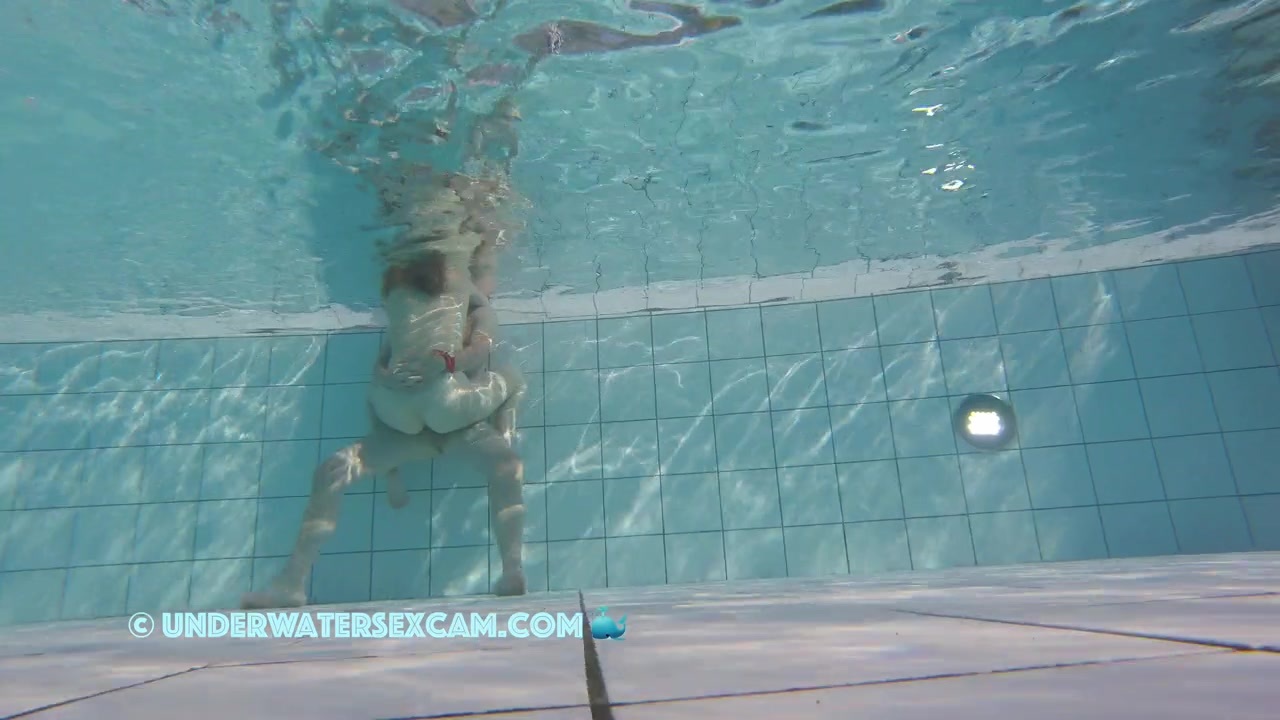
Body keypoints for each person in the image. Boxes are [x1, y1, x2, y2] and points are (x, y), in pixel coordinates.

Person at [242, 237, 528, 609]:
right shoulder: (468, 314)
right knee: (333, 470)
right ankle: (291, 583)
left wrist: (392, 467)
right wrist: (501, 426)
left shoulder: (427, 321)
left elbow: (381, 382)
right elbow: (480, 360)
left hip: (429, 425)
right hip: (445, 419)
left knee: (333, 471)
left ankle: (291, 581)